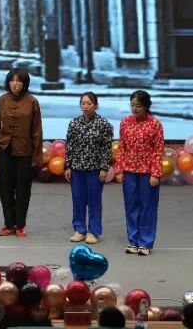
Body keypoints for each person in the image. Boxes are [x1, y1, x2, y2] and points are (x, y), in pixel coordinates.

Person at [0, 67, 43, 237]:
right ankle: (8, 224)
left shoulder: (32, 102)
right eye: (12, 80)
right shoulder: (1, 100)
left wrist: (37, 154)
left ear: (25, 83)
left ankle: (20, 225)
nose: (15, 84)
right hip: (4, 149)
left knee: (23, 188)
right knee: (5, 188)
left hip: (24, 151)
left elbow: (37, 130)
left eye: (19, 81)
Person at [115, 90, 164, 256]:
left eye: (138, 106)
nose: (134, 109)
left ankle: (145, 242)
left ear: (146, 106)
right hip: (129, 171)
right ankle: (132, 241)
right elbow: (121, 147)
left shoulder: (155, 124)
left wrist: (155, 173)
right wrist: (119, 170)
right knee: (131, 206)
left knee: (148, 207)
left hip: (148, 172)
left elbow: (158, 150)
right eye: (132, 105)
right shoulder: (125, 122)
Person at [63, 91, 113, 244]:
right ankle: (80, 229)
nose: (85, 106)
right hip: (77, 169)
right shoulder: (74, 123)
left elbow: (106, 148)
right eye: (83, 103)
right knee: (78, 200)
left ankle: (93, 231)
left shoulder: (103, 124)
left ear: (95, 105)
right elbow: (69, 146)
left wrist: (104, 168)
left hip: (95, 170)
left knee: (94, 201)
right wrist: (68, 166)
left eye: (89, 103)